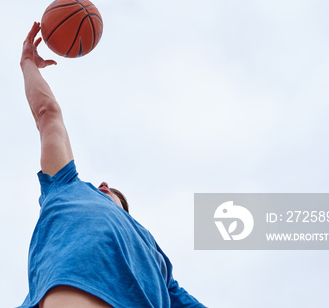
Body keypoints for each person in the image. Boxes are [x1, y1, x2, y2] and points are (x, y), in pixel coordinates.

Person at [18, 22, 206, 308]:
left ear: (123, 208)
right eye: (101, 187)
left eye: (113, 191)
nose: (103, 184)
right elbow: (48, 115)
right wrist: (28, 63)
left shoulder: (157, 261)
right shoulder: (65, 186)